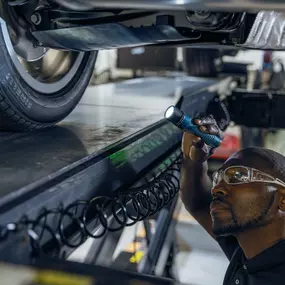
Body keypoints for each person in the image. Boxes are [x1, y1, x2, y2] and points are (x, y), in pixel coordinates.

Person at [180, 115, 285, 285]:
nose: (216, 188)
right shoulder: (248, 251)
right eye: (217, 179)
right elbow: (198, 203)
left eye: (238, 176)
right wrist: (193, 159)